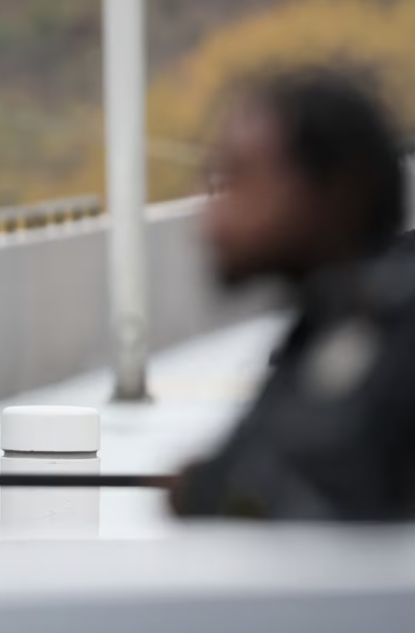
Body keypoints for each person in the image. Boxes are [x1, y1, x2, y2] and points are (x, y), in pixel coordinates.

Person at [169, 66, 415, 522]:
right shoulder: (324, 328)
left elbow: (320, 490)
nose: (212, 218)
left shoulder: (388, 337)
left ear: (337, 190)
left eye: (240, 180)